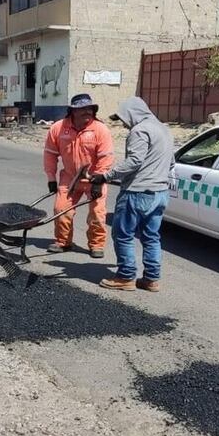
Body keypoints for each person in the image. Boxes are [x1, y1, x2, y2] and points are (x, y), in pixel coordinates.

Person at [90, 97, 175, 292]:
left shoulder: (140, 131)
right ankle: (151, 279)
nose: (124, 123)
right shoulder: (163, 129)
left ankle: (126, 277)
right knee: (151, 236)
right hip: (160, 193)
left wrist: (105, 176)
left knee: (123, 235)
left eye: (123, 118)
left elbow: (134, 161)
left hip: (137, 193)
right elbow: (171, 163)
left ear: (132, 113)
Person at [43, 94, 114, 258]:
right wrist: (51, 178)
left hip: (94, 178)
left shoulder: (100, 129)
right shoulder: (58, 128)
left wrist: (99, 180)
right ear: (73, 111)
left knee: (97, 213)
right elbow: (50, 154)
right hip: (69, 177)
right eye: (83, 109)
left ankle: (96, 245)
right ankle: (63, 242)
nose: (87, 112)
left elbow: (106, 157)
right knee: (60, 209)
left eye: (90, 108)